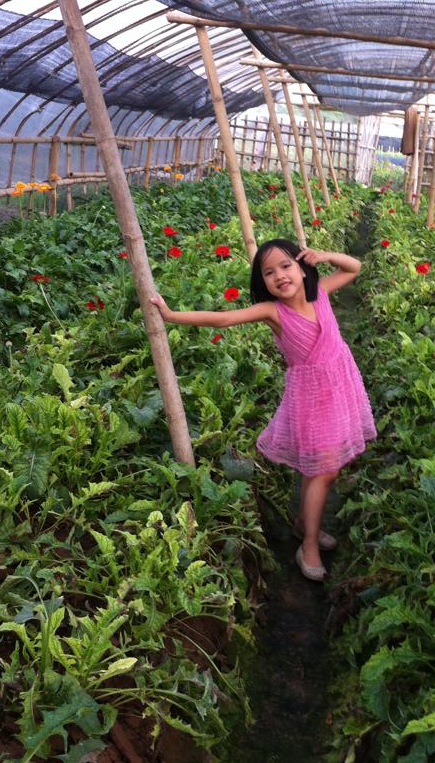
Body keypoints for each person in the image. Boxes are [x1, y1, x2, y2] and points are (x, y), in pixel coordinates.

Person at [150, 239, 376, 582]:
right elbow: (224, 319)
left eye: (286, 266)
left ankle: (303, 524)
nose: (279, 276)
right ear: (263, 282)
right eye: (268, 273)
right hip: (312, 398)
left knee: (322, 466)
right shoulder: (274, 312)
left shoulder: (322, 293)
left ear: (303, 267)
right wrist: (170, 315)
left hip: (340, 388)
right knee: (325, 469)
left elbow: (354, 266)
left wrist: (325, 255)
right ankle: (309, 544)